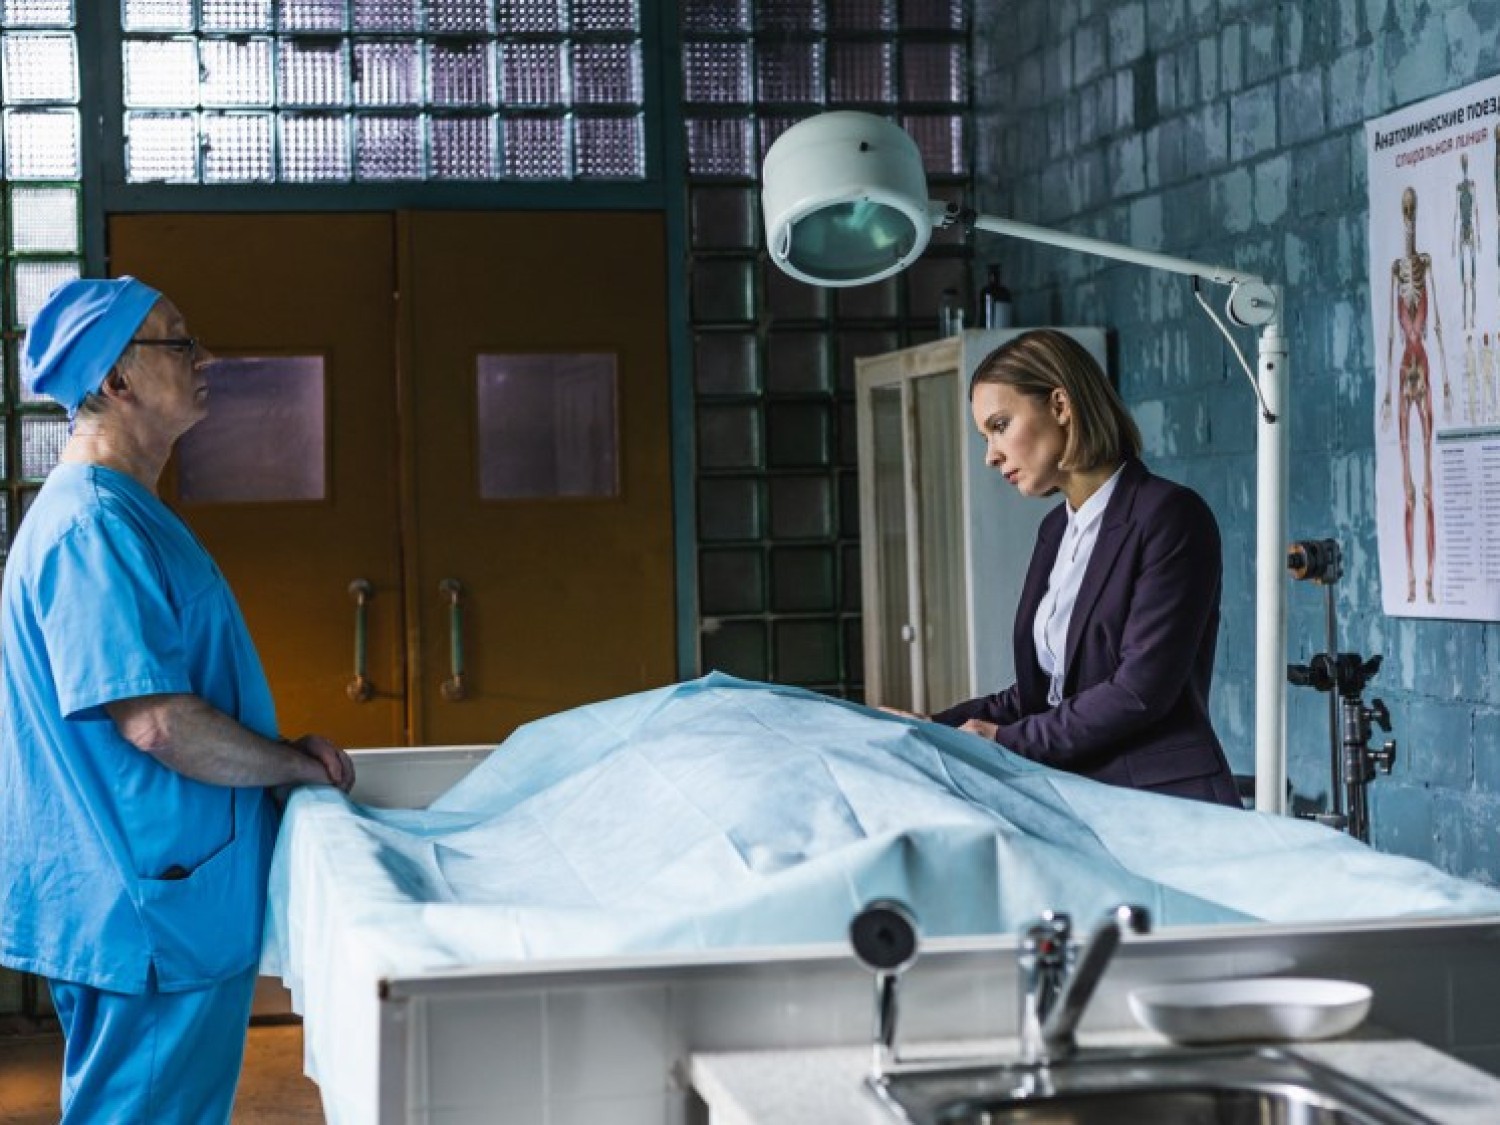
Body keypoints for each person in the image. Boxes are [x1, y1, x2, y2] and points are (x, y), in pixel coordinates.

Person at [0, 277, 356, 1124]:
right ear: (116, 379)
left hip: (162, 897)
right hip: (150, 907)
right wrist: (290, 766)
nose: (206, 358)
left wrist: (282, 757)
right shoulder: (92, 527)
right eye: (179, 341)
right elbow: (157, 722)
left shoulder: (125, 511)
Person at [887, 329, 1241, 808]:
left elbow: (1138, 692)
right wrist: (935, 727)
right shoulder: (1056, 530)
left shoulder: (1168, 515)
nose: (991, 455)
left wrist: (1003, 741)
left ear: (1059, 405)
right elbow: (1042, 694)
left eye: (1000, 426)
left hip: (1160, 802)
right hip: (1076, 796)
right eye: (986, 436)